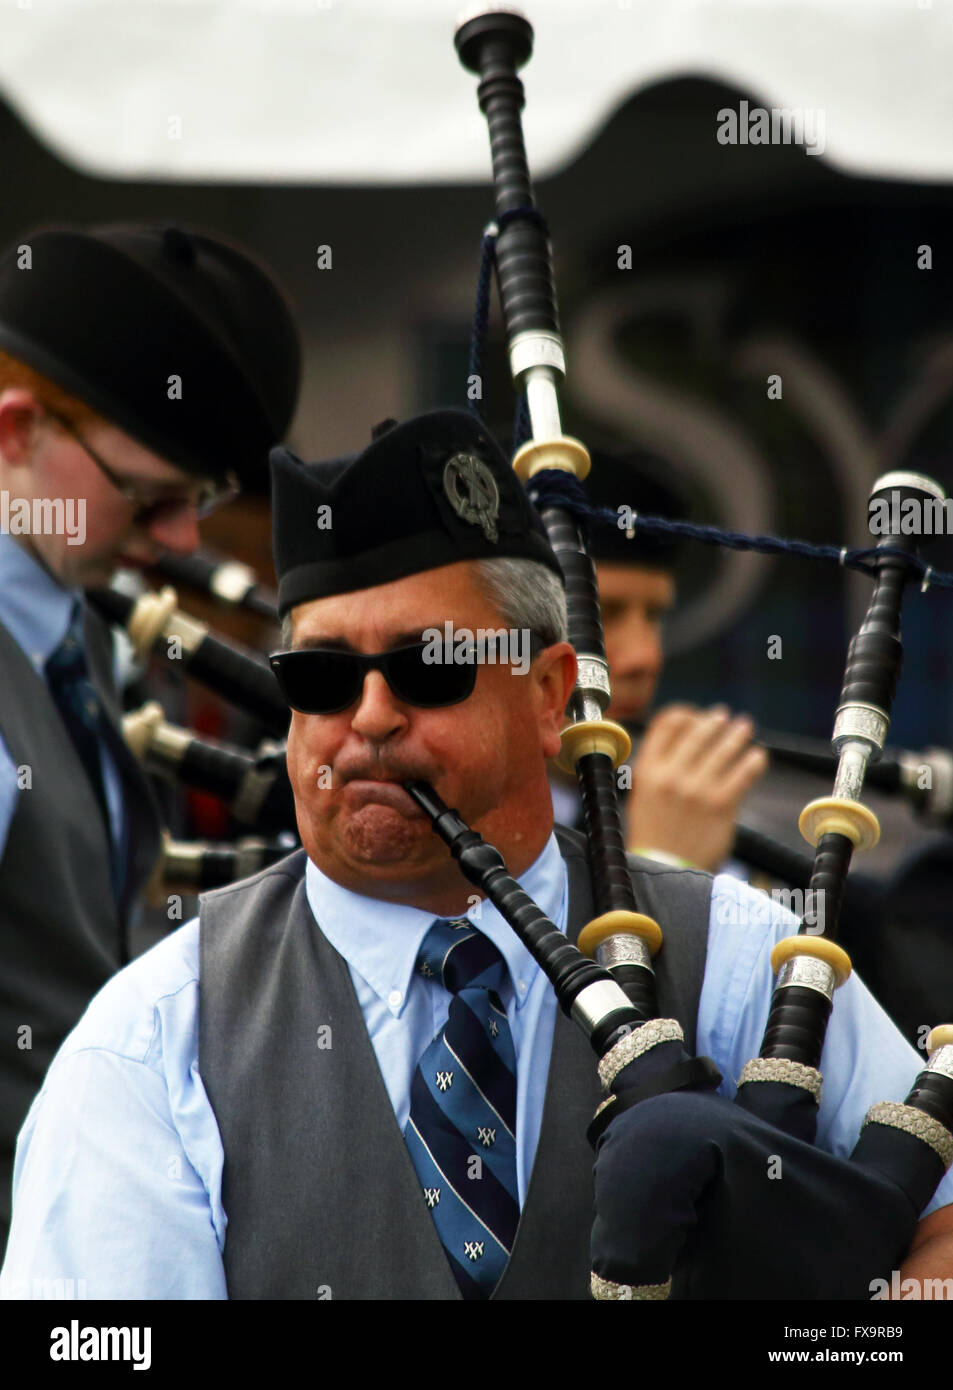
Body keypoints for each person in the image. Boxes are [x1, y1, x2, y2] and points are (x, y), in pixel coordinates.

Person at [2, 409, 950, 1299]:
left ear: (546, 696)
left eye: (429, 668)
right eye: (322, 677)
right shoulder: (156, 1038)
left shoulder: (740, 962)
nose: (369, 717)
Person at [0, 221, 301, 1256]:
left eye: (202, 500)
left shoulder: (72, 628)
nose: (180, 539)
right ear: (13, 433)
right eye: (148, 496)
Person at [551, 449, 769, 871]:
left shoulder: (710, 834)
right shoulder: (428, 840)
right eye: (599, 613)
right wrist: (665, 865)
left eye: (654, 616)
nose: (644, 658)